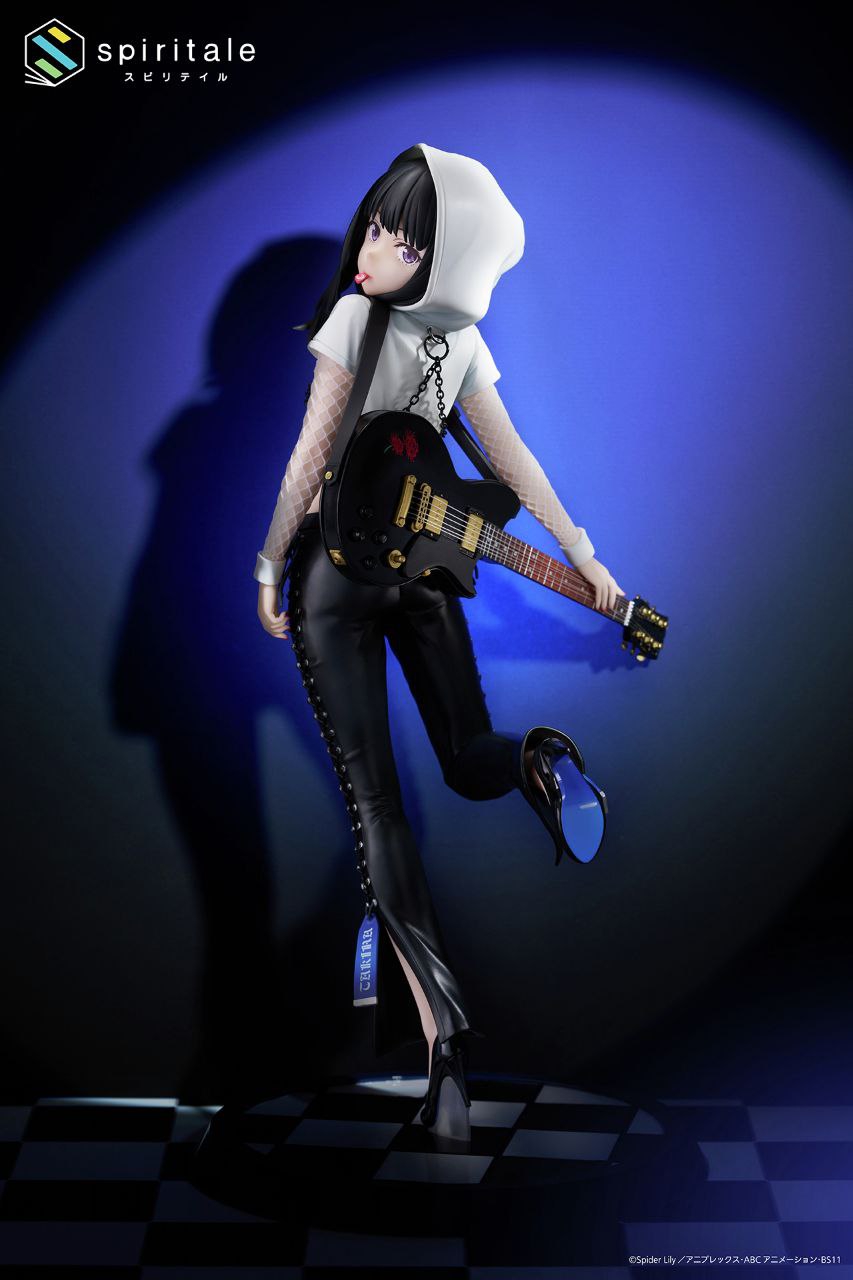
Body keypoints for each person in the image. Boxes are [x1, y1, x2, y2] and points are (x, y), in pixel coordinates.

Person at [253, 143, 624, 1145]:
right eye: (376, 226)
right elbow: (511, 458)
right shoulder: (460, 343)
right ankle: (536, 759)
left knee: (379, 809)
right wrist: (581, 551)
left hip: (337, 579)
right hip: (422, 572)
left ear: (441, 258)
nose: (373, 249)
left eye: (403, 240)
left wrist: (268, 562)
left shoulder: (354, 319)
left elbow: (309, 460)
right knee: (468, 756)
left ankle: (443, 1046)